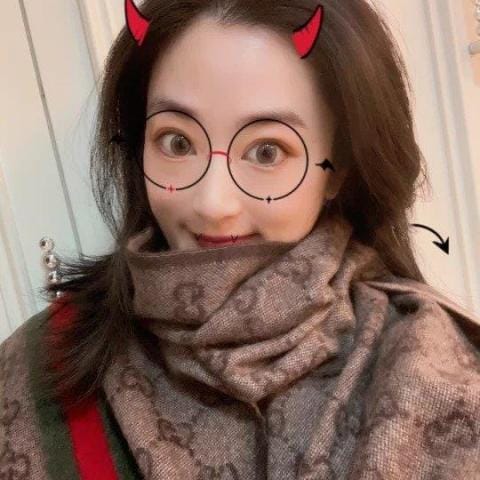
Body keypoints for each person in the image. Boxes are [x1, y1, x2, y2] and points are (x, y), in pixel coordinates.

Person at [1, 0, 479, 478]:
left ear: (339, 170)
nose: (213, 202)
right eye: (177, 142)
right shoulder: (38, 366)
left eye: (267, 151)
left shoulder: (435, 370)